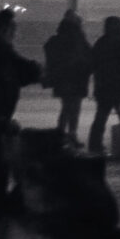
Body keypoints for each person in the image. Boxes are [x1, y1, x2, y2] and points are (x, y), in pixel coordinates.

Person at [41, 12, 92, 143]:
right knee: (74, 108)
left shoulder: (56, 40)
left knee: (66, 107)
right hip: (77, 78)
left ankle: (60, 135)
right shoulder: (78, 39)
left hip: (62, 78)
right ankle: (71, 135)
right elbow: (89, 55)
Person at [88, 16, 120, 152]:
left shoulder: (101, 43)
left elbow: (93, 63)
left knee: (100, 117)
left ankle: (94, 144)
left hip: (103, 86)